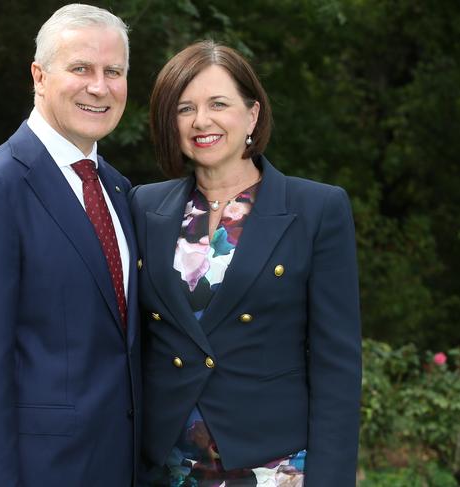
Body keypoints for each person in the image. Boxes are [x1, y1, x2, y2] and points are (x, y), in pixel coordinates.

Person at [130, 40, 361, 487]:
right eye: (184, 108)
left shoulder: (317, 208)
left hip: (274, 465)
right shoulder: (142, 206)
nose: (202, 121)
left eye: (219, 103)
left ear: (252, 115)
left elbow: (337, 365)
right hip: (167, 467)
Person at [0, 4, 141, 486]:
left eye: (114, 71)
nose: (99, 86)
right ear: (39, 76)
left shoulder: (118, 190)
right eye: (80, 69)